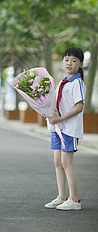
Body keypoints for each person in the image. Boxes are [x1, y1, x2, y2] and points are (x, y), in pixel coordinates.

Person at [45, 47, 86, 211]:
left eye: (74, 60)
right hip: (58, 128)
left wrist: (60, 118)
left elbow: (79, 107)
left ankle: (74, 200)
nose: (69, 63)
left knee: (66, 162)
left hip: (69, 129)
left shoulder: (77, 83)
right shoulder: (62, 82)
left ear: (81, 64)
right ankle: (62, 196)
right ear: (62, 62)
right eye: (67, 59)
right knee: (57, 162)